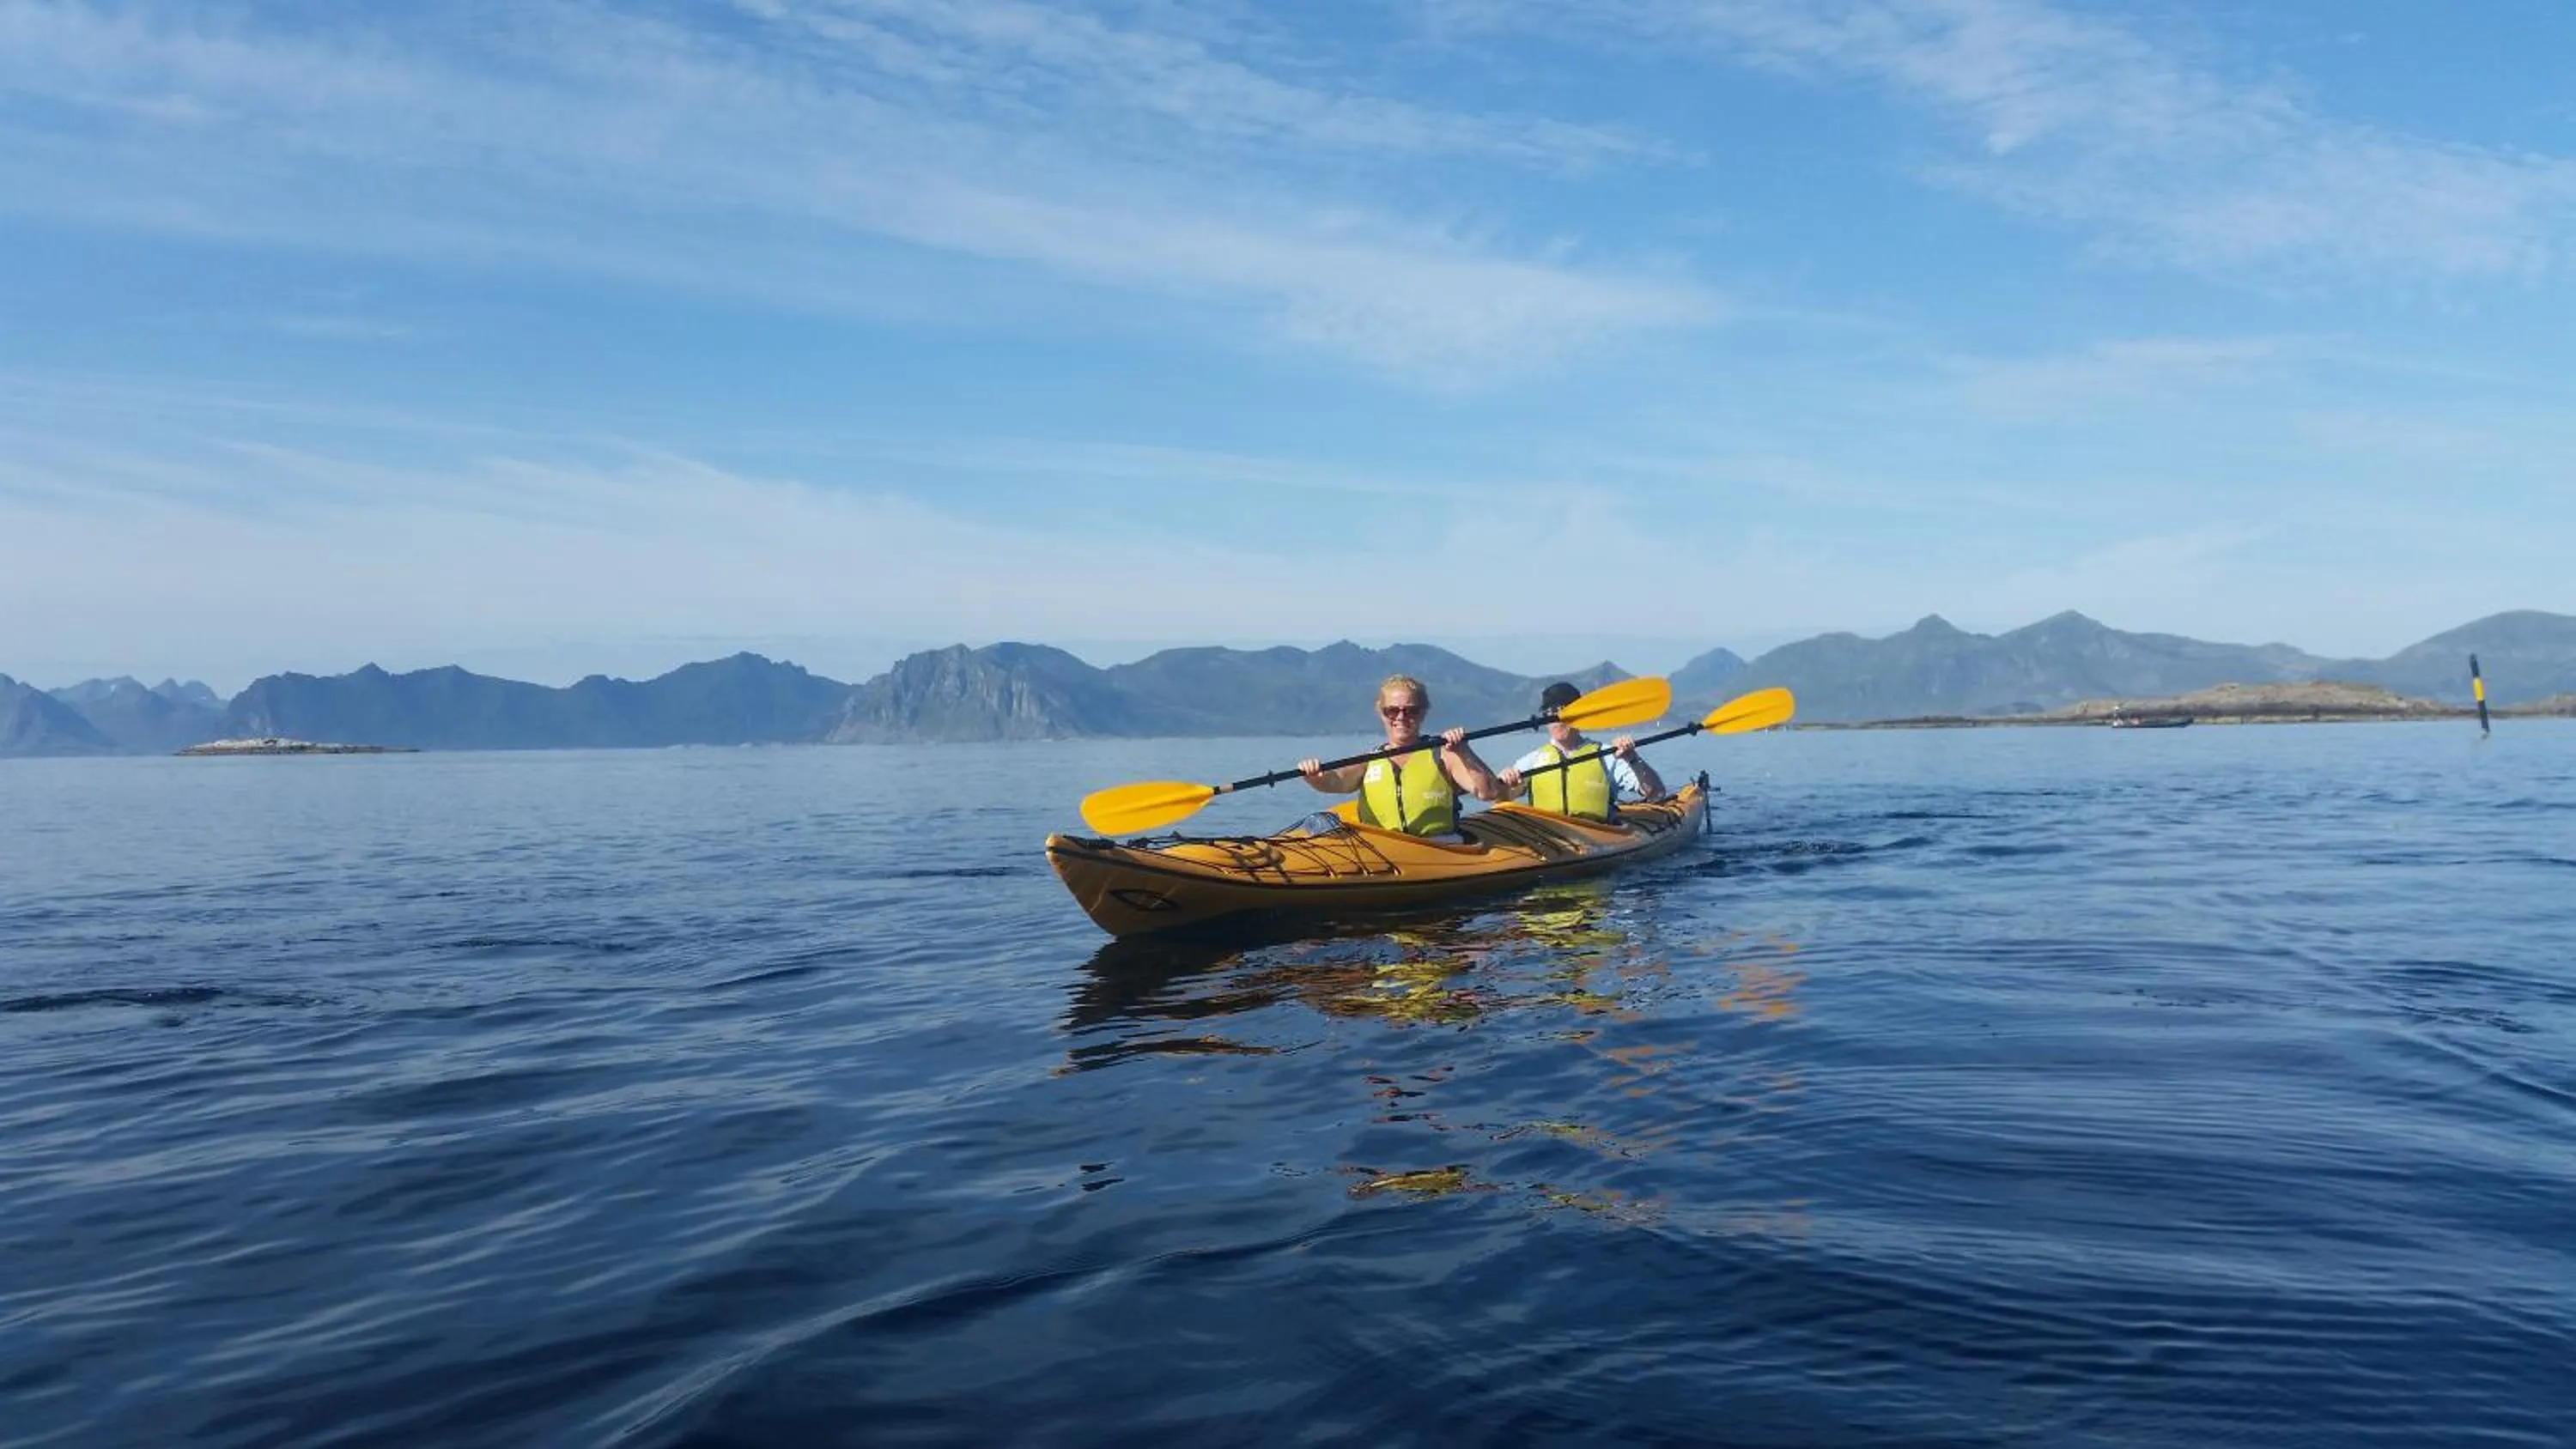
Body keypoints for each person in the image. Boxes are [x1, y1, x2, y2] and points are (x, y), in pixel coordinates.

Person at [1298, 674, 1503, 839]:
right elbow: (1336, 781)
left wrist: (1464, 752)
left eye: (1411, 711)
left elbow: (1488, 792)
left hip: (1438, 847)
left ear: (1423, 713)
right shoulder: (1369, 761)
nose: (1401, 717)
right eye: (1392, 710)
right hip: (1383, 849)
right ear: (1381, 712)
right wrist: (1313, 775)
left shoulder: (1444, 755)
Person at [1498, 681, 1666, 822]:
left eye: (1562, 710)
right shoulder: (1533, 760)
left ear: (1580, 715)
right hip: (1547, 838)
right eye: (1549, 713)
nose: (1556, 720)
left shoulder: (1607, 756)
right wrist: (1505, 781)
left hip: (1597, 834)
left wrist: (1633, 758)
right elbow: (1501, 798)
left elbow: (1656, 793)